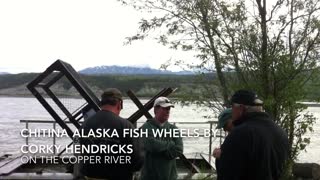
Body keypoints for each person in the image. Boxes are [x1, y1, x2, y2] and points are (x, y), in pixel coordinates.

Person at [217, 90, 289, 180]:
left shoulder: (239, 134)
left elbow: (227, 173)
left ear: (241, 108)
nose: (231, 111)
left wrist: (220, 158)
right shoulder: (280, 131)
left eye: (232, 107)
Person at [80, 88, 144, 180]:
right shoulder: (126, 126)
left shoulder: (86, 124)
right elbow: (138, 159)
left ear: (102, 103)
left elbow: (79, 150)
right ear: (119, 104)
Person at [140, 96, 183, 180]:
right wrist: (170, 144)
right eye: (164, 108)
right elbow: (152, 146)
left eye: (169, 109)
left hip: (170, 177)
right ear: (155, 109)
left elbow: (179, 150)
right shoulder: (146, 127)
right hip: (149, 177)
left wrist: (160, 149)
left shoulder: (173, 129)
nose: (167, 111)